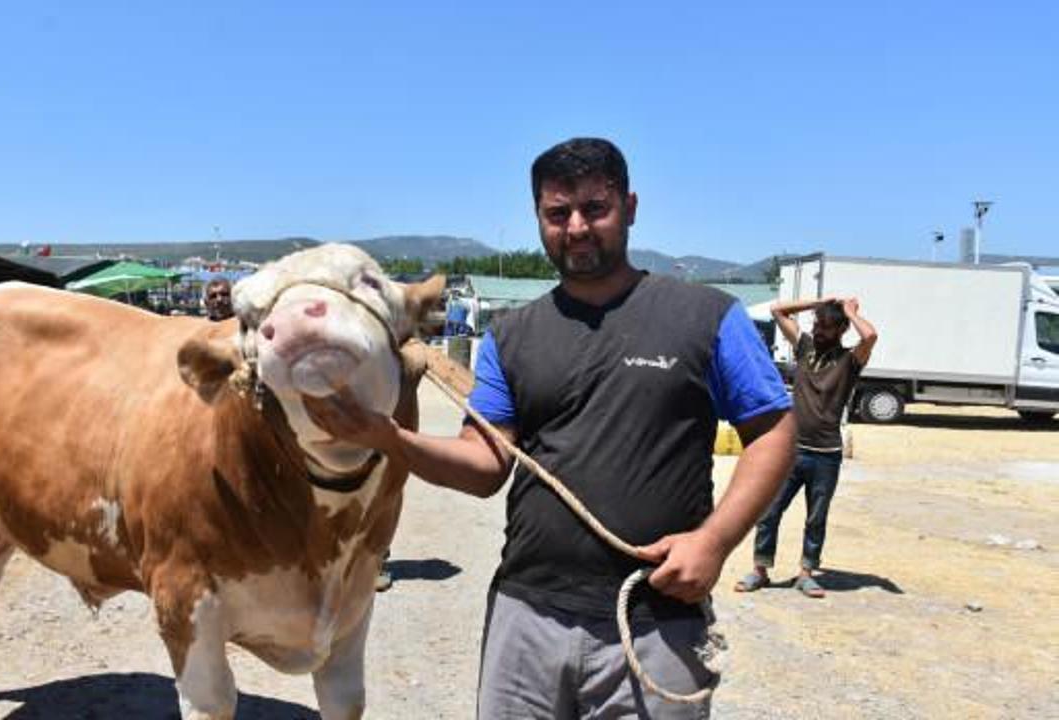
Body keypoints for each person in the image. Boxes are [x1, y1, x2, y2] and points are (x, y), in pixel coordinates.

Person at [303, 137, 796, 718]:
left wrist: (713, 542)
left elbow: (773, 431)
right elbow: (485, 466)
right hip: (527, 614)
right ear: (538, 218)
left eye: (595, 208)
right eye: (558, 213)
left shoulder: (706, 317)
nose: (576, 227)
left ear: (630, 207)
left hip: (655, 619)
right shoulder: (512, 336)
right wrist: (387, 438)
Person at [735, 295, 877, 598]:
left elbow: (870, 336)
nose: (818, 330)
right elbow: (778, 310)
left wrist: (850, 312)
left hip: (826, 454)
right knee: (769, 511)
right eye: (817, 324)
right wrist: (821, 302)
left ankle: (806, 573)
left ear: (841, 330)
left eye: (826, 326)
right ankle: (760, 570)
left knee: (816, 517)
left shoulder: (850, 360)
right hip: (791, 451)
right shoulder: (805, 348)